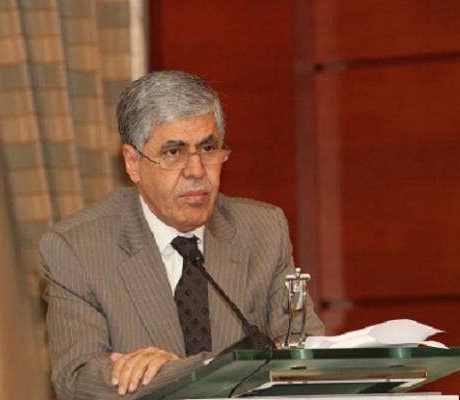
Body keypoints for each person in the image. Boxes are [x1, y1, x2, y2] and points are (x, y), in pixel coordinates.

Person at [39, 71, 324, 400]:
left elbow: (307, 355)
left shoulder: (262, 230)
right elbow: (78, 381)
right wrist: (210, 370)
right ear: (133, 163)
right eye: (173, 152)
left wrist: (191, 369)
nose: (197, 171)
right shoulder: (76, 248)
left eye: (207, 148)